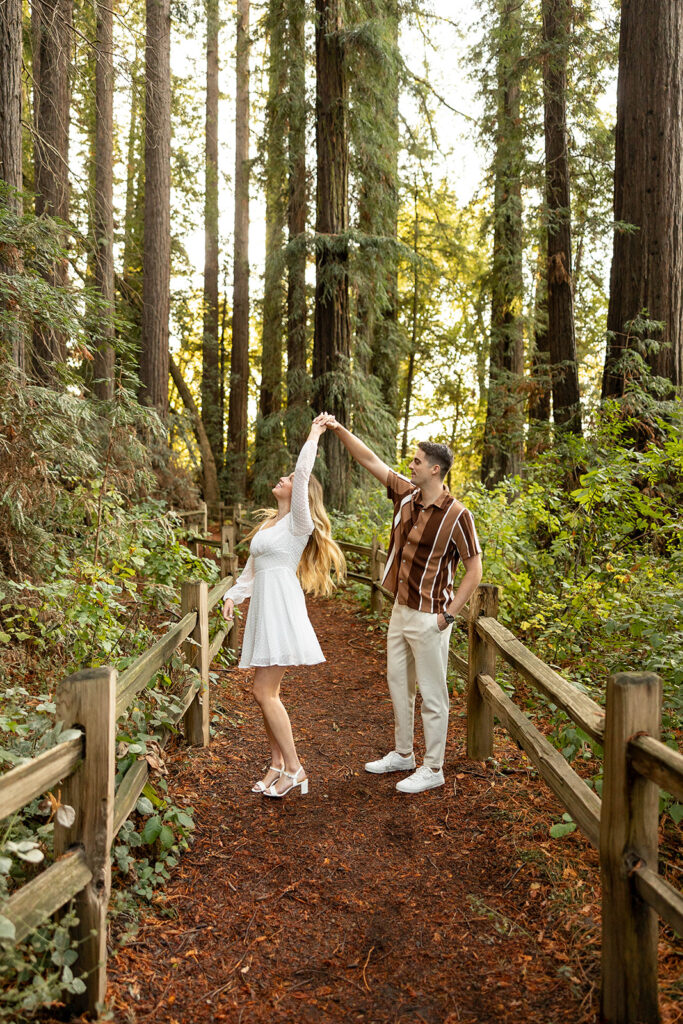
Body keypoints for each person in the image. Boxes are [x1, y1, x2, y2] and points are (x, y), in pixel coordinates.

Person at [326, 419, 482, 793]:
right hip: (400, 610)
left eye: (416, 461)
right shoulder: (405, 494)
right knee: (398, 685)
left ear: (435, 469)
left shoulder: (458, 515)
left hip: (431, 617)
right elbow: (369, 459)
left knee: (433, 694)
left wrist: (449, 615)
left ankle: (434, 767)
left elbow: (474, 568)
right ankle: (403, 755)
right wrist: (340, 429)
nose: (410, 465)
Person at [222, 414, 346, 799]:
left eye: (290, 480)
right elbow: (251, 571)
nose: (284, 479)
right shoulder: (269, 527)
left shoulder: (297, 525)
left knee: (264, 692)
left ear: (301, 494)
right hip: (263, 609)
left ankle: (295, 768)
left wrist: (314, 432)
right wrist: (232, 596)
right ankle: (276, 763)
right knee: (262, 691)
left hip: (281, 610)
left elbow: (303, 469)